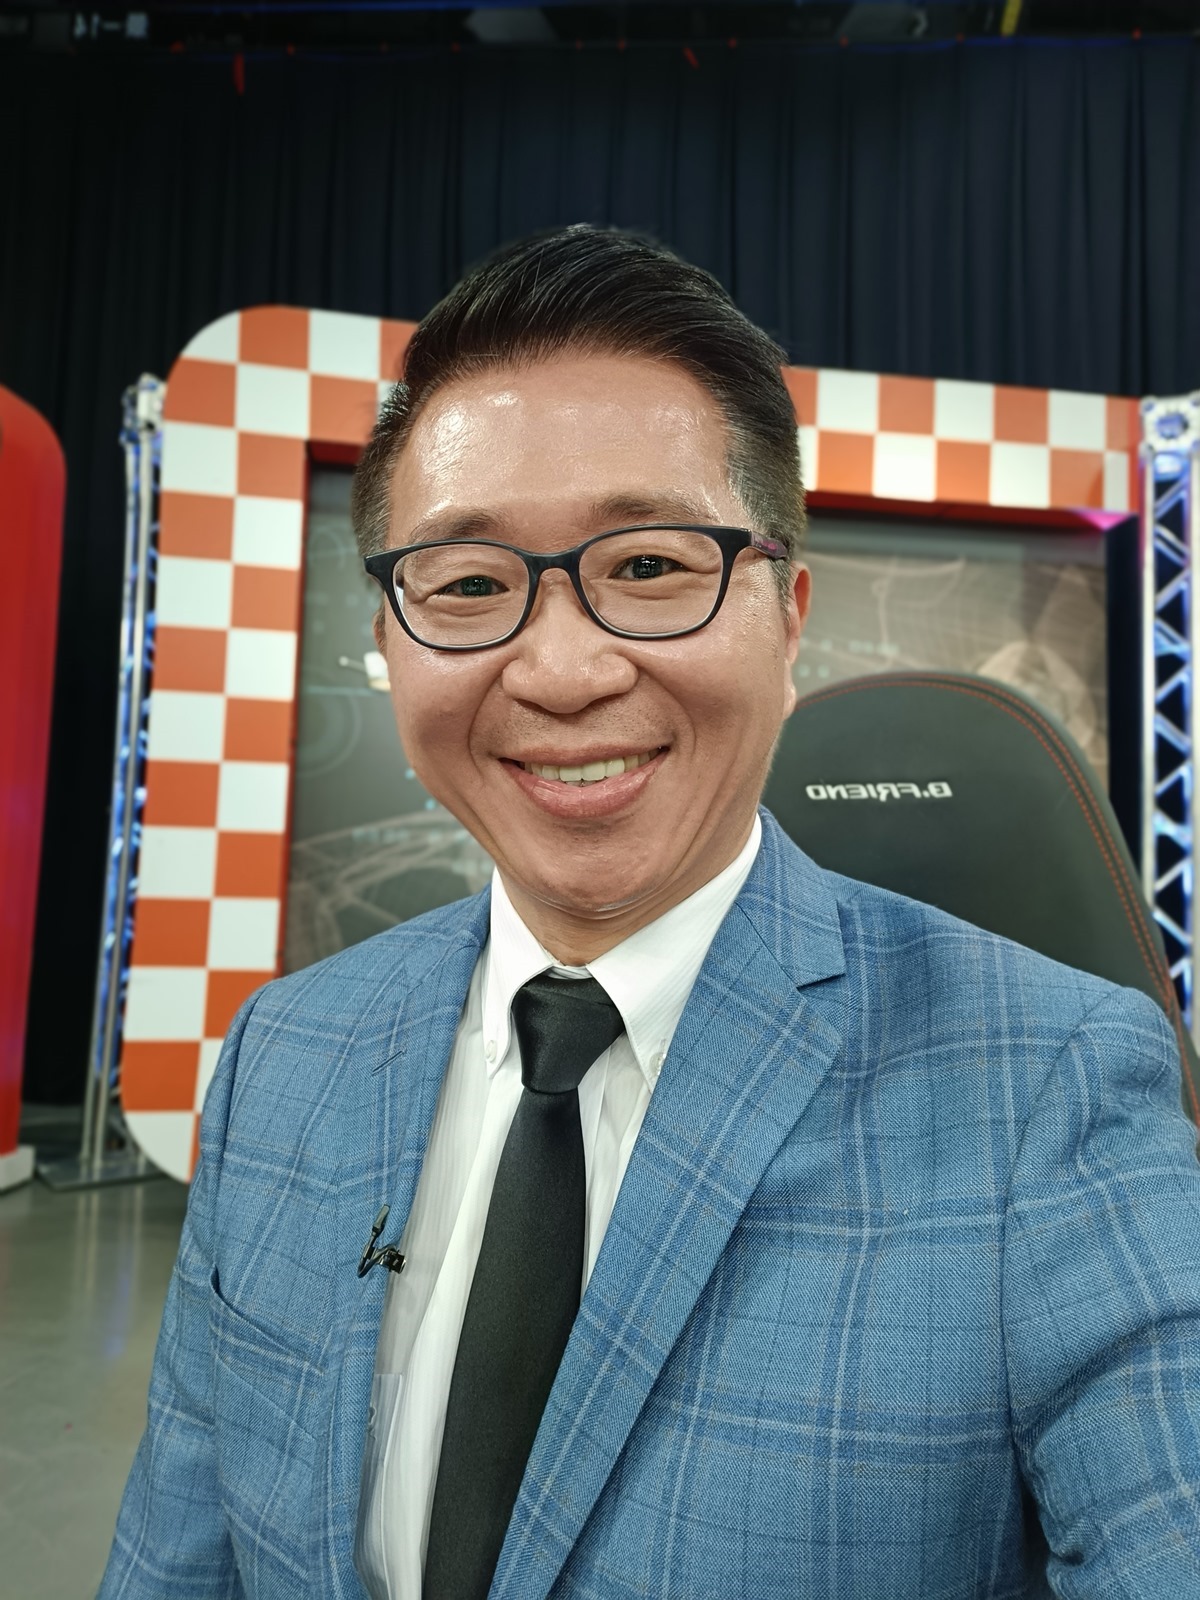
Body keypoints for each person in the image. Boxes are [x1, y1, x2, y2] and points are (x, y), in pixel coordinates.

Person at [100, 226, 1200, 1600]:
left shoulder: (1052, 1089)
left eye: (650, 567)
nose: (562, 671)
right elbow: (176, 1560)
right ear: (388, 640)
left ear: (787, 617)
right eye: (469, 584)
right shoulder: (285, 1056)